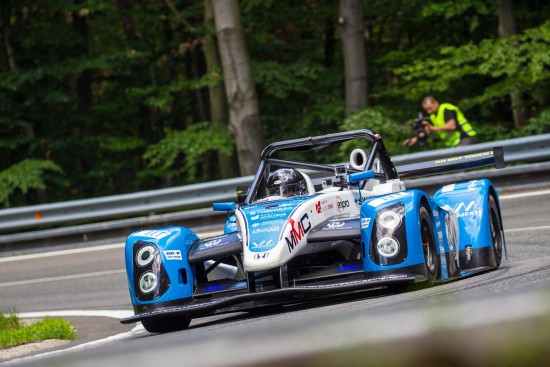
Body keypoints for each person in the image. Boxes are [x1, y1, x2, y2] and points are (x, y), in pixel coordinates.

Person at [403, 96, 477, 148]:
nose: (429, 112)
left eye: (430, 108)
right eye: (427, 110)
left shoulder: (445, 108)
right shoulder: (433, 116)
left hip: (465, 137)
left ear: (436, 103)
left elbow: (451, 126)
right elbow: (428, 131)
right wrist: (414, 139)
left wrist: (432, 128)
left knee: (460, 167)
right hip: (456, 143)